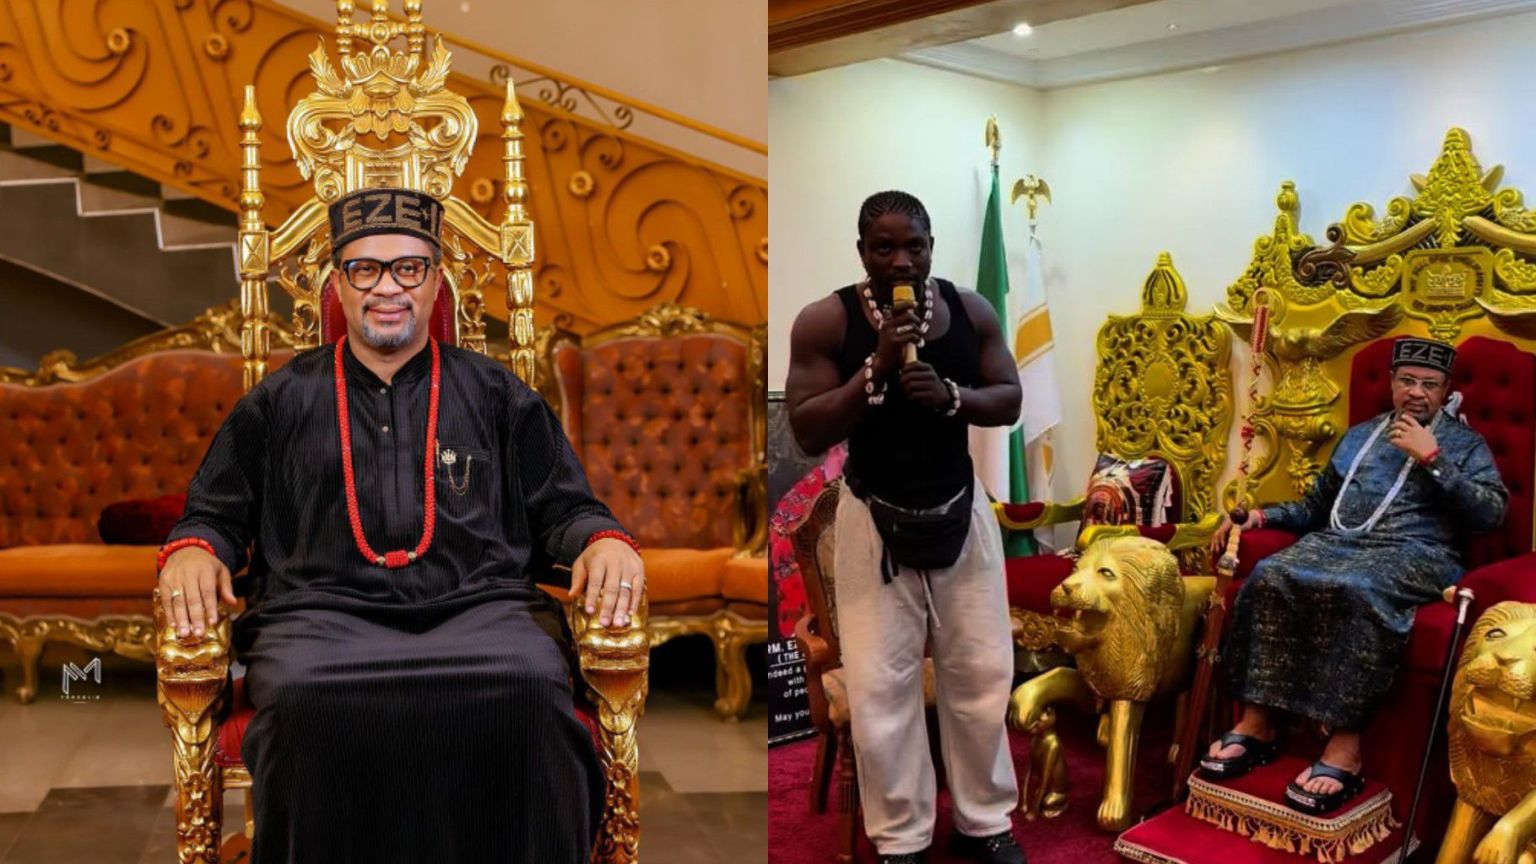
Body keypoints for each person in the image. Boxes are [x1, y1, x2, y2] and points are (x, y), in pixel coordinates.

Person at [154, 186, 644, 863]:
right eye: (366, 269)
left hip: (481, 614)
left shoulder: (498, 393)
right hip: (319, 617)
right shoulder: (278, 401)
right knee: (302, 701)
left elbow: (565, 507)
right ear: (338, 285)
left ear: (436, 281)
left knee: (529, 689)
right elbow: (213, 514)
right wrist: (193, 552)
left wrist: (603, 541)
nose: (388, 287)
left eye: (409, 268)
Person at [785, 190, 1025, 864]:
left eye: (913, 245)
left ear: (930, 246)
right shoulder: (824, 321)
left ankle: (985, 824)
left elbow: (1008, 398)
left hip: (960, 512)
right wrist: (877, 368)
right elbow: (806, 429)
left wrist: (954, 397)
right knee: (880, 687)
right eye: (884, 247)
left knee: (981, 675)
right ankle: (901, 840)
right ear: (862, 252)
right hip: (875, 520)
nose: (901, 260)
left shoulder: (967, 308)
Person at [1203, 336, 1507, 815]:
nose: (1416, 393)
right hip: (1341, 542)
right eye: (1407, 381)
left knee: (1359, 589)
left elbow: (1491, 514)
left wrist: (1434, 458)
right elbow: (1314, 508)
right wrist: (1260, 517)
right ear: (1391, 383)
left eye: (1429, 384)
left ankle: (1346, 743)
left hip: (1421, 553)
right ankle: (1258, 723)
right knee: (1269, 574)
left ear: (1446, 390)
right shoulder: (1360, 436)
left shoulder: (1465, 444)